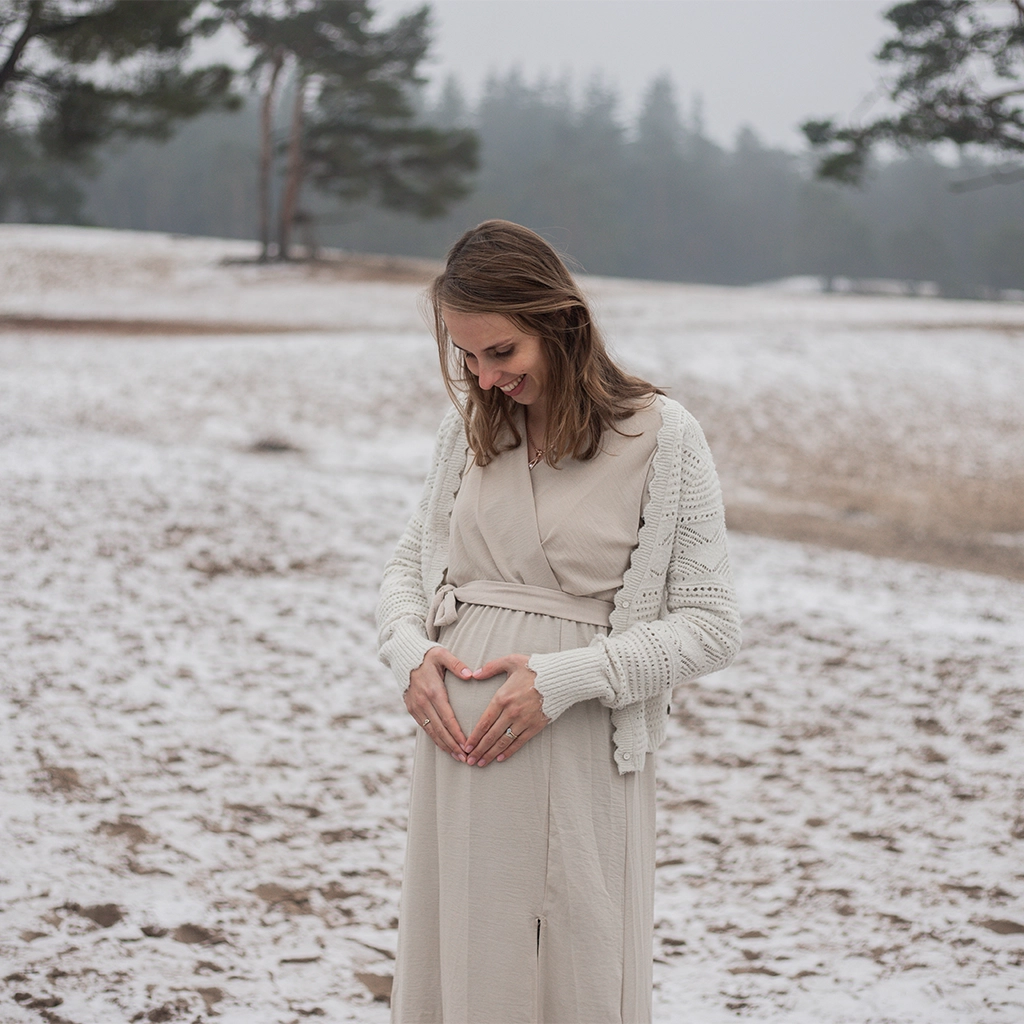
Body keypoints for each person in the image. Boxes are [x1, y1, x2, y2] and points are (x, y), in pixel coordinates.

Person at [376, 220, 741, 1024]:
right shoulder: (470, 428)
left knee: (569, 965)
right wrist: (410, 654)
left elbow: (712, 624)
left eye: (501, 352)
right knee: (461, 960)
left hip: (576, 747)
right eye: (465, 356)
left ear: (561, 321)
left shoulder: (661, 436)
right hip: (456, 755)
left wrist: (565, 679)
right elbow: (408, 569)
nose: (485, 376)